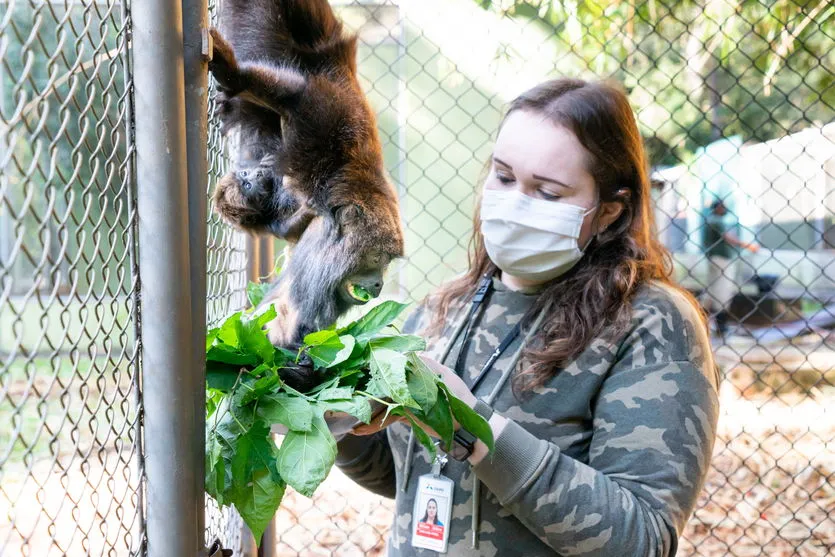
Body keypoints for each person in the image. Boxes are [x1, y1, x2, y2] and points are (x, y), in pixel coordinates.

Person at [336, 78, 720, 556]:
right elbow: (410, 477)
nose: (514, 203)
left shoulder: (652, 322)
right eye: (503, 176)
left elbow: (639, 538)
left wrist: (470, 425)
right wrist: (336, 421)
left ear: (608, 211)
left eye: (549, 192)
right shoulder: (444, 305)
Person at [701, 199, 760, 336]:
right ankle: (721, 325)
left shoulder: (711, 220)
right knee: (723, 291)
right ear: (718, 208)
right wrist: (748, 245)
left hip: (715, 259)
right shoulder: (716, 220)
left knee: (713, 290)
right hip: (721, 260)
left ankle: (707, 322)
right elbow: (728, 237)